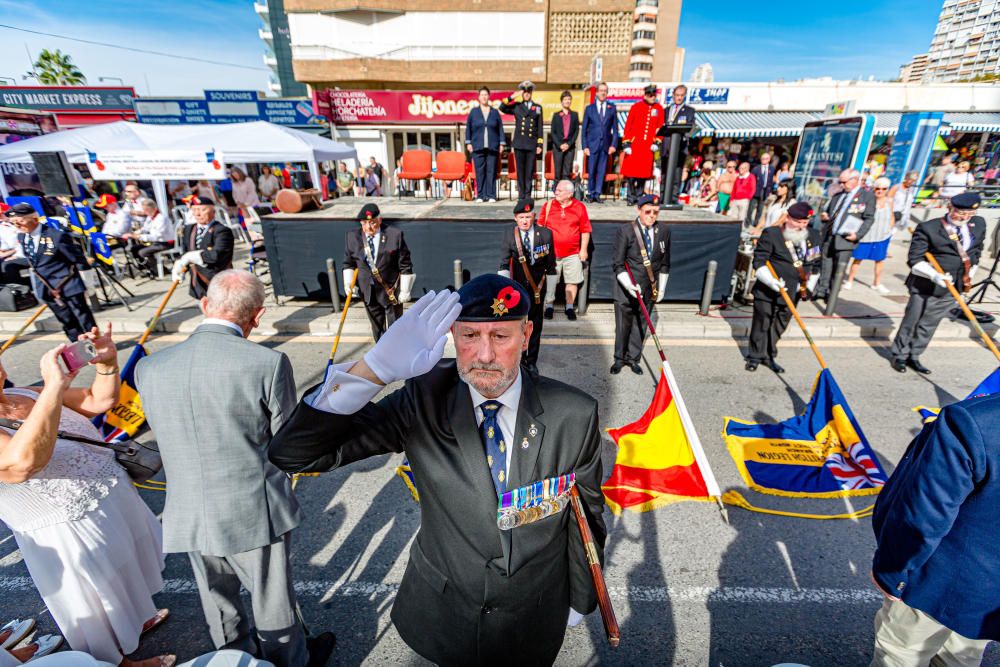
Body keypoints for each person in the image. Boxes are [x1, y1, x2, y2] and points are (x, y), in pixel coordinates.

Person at [268, 277, 607, 666]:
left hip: (533, 613)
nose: (484, 354)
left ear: (527, 334)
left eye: (500, 336)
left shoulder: (573, 413)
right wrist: (373, 368)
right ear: (451, 334)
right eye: (469, 335)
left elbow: (587, 515)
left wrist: (582, 595)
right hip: (446, 614)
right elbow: (295, 454)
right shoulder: (424, 397)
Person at [136, 271, 334, 667]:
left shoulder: (150, 367)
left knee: (215, 596)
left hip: (188, 506)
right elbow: (287, 441)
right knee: (271, 597)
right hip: (252, 505)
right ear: (257, 316)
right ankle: (287, 661)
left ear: (205, 305)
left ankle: (233, 659)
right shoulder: (267, 363)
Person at [0, 329, 173, 667]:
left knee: (125, 574)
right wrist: (53, 387)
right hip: (67, 528)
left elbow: (98, 401)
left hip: (107, 503)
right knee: (97, 603)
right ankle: (118, 662)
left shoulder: (20, 393)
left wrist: (108, 363)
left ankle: (135, 620)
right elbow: (21, 464)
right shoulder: (39, 393)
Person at [869, 393, 1000, 666]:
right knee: (961, 658)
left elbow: (923, 515)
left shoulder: (973, 419)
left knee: (899, 654)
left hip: (937, 582)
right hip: (990, 595)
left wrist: (892, 571)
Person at [889, 192, 985, 375]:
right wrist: (934, 275)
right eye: (960, 213)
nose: (964, 217)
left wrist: (971, 271)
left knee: (930, 323)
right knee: (912, 320)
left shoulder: (978, 224)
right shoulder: (929, 228)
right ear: (950, 208)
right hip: (925, 285)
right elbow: (914, 260)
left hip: (955, 285)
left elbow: (977, 249)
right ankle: (900, 355)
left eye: (969, 214)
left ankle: (915, 355)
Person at [745, 202, 821, 373]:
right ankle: (755, 356)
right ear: (787, 218)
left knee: (780, 323)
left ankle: (769, 354)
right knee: (762, 321)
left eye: (805, 222)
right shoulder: (772, 234)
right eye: (798, 222)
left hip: (794, 290)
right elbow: (759, 260)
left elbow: (815, 263)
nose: (802, 226)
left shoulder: (814, 235)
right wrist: (771, 281)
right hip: (769, 288)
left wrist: (808, 287)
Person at [5, 204, 96, 342]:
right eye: (13, 223)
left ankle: (96, 345)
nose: (17, 225)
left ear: (34, 218)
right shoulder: (23, 238)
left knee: (83, 318)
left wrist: (88, 283)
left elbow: (79, 260)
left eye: (21, 221)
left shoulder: (57, 236)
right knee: (67, 321)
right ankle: (78, 347)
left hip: (67, 284)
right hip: (46, 287)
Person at [611, 193, 670, 375]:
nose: (652, 215)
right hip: (626, 288)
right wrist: (629, 285)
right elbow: (618, 264)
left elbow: (665, 263)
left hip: (648, 287)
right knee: (623, 325)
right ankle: (619, 359)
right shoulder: (626, 231)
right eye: (648, 212)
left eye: (655, 212)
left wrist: (661, 288)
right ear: (639, 210)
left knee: (641, 324)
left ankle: (633, 358)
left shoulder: (664, 231)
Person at [498, 199, 556, 376]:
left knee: (535, 326)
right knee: (518, 327)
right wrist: (504, 293)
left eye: (528, 217)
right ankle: (520, 359)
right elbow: (503, 265)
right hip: (516, 291)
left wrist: (550, 297)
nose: (525, 220)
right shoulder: (510, 235)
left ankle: (532, 361)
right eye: (521, 217)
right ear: (516, 218)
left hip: (538, 290)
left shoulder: (546, 234)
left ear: (534, 217)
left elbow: (551, 266)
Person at [342, 203, 414, 342]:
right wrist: (348, 284)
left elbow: (405, 265)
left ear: (379, 220)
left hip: (391, 291)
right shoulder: (352, 237)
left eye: (373, 223)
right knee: (377, 329)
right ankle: (381, 357)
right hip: (368, 291)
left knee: (396, 329)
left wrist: (405, 290)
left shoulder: (394, 235)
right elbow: (348, 263)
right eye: (365, 223)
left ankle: (396, 355)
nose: (369, 227)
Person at [814, 169, 875, 301]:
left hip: (845, 239)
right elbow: (830, 212)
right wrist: (825, 216)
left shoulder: (866, 196)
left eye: (844, 182)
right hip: (830, 235)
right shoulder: (838, 195)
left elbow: (869, 218)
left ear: (854, 180)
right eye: (840, 182)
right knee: (825, 264)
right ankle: (821, 290)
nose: (841, 185)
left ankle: (831, 294)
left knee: (838, 269)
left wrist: (858, 235)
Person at [537, 179, 591, 321]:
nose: (556, 192)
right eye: (556, 190)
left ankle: (569, 307)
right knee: (550, 279)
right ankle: (549, 306)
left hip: (572, 253)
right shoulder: (548, 206)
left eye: (559, 191)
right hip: (550, 254)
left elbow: (585, 230)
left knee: (572, 281)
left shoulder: (579, 207)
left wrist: (583, 250)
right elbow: (539, 228)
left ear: (569, 193)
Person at [171, 196, 235, 299]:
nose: (197, 214)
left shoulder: (222, 231)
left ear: (213, 211)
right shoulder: (189, 229)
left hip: (218, 282)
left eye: (202, 210)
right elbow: (185, 252)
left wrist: (192, 256)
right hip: (198, 283)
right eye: (194, 210)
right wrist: (178, 266)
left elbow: (216, 256)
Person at [845, 177, 894, 294]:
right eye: (878, 188)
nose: (880, 191)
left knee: (880, 260)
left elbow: (892, 216)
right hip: (867, 235)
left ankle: (877, 283)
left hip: (882, 235)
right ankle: (850, 280)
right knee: (858, 259)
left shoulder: (889, 201)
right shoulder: (868, 200)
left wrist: (890, 230)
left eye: (884, 189)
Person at [620, 84, 665, 205]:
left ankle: (639, 196)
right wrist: (627, 143)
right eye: (650, 95)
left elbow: (660, 127)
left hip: (648, 147)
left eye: (654, 95)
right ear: (645, 95)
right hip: (635, 145)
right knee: (630, 174)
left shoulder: (659, 109)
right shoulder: (636, 107)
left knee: (643, 174)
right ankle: (630, 196)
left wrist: (657, 141)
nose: (652, 98)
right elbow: (628, 126)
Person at [499, 81, 543, 199]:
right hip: (519, 143)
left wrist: (539, 144)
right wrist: (512, 97)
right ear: (522, 94)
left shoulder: (537, 108)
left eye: (528, 92)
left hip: (531, 144)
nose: (527, 94)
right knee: (521, 171)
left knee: (529, 172)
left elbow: (539, 127)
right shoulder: (517, 106)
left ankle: (527, 195)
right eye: (524, 92)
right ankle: (521, 195)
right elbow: (502, 107)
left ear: (531, 93)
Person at [465, 86, 506, 203]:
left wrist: (501, 143)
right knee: (480, 172)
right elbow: (468, 128)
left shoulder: (494, 112)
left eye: (486, 95)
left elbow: (500, 128)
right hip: (477, 146)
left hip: (492, 146)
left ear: (489, 96)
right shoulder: (474, 112)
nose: (484, 97)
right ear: (479, 97)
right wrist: (468, 142)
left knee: (491, 171)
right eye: (482, 95)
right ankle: (481, 195)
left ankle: (491, 195)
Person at [581, 82, 618, 204]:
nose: (603, 93)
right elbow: (584, 130)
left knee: (601, 170)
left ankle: (598, 193)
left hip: (605, 145)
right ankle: (591, 193)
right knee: (591, 170)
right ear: (596, 93)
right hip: (592, 145)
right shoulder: (589, 109)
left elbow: (615, 129)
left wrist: (613, 145)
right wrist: (585, 146)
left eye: (605, 91)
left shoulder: (611, 108)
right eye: (601, 90)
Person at [659, 84, 696, 204]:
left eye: (681, 95)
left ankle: (673, 198)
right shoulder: (666, 110)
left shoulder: (689, 111)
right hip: (666, 146)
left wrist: (686, 136)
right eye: (677, 95)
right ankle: (663, 196)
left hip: (679, 147)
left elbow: (691, 128)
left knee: (676, 173)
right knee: (664, 172)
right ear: (673, 96)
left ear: (684, 96)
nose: (679, 98)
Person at [121, 199, 176, 278]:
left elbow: (156, 236)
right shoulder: (151, 217)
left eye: (144, 209)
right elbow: (145, 228)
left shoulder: (161, 218)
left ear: (150, 209)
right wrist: (135, 233)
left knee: (143, 252)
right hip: (157, 242)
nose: (143, 211)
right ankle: (148, 269)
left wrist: (138, 236)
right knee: (134, 248)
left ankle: (161, 270)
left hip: (165, 243)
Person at [548, 91, 579, 187]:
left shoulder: (574, 115)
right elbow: (553, 132)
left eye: (569, 99)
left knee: (567, 172)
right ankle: (556, 192)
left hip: (570, 147)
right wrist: (560, 145)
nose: (567, 101)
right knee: (558, 172)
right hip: (558, 147)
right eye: (565, 99)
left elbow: (576, 132)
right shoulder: (556, 115)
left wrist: (568, 144)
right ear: (561, 101)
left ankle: (566, 193)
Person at [747, 153, 776, 228]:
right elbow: (751, 180)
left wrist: (770, 191)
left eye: (766, 159)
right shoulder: (756, 168)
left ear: (769, 160)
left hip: (765, 190)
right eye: (763, 158)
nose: (764, 160)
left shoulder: (772, 168)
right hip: (756, 190)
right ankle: (748, 222)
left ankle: (756, 223)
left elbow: (771, 180)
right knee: (751, 207)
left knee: (760, 207)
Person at [890, 170, 919, 236]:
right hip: (893, 214)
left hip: (902, 216)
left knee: (892, 233)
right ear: (906, 178)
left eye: (913, 181)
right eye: (910, 179)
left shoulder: (911, 189)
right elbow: (888, 200)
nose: (911, 182)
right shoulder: (896, 187)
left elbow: (908, 205)